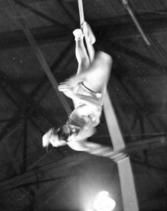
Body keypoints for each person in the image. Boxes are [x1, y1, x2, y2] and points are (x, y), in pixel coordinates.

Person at [42, 22, 116, 158]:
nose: (72, 129)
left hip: (86, 92)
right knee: (85, 63)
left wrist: (73, 94)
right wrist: (111, 154)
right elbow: (91, 148)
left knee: (88, 63)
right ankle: (83, 39)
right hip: (84, 94)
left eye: (67, 129)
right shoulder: (75, 142)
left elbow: (97, 103)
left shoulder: (76, 117)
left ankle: (81, 39)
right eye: (71, 132)